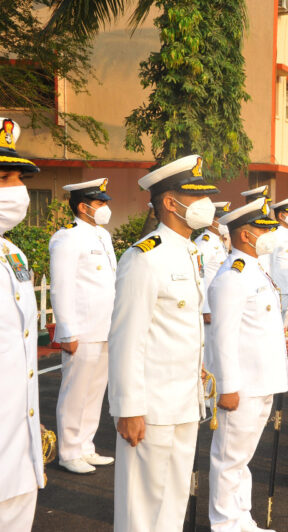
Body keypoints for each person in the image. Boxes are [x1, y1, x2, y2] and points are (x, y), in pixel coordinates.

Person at [108, 154, 219, 531]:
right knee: (141, 510)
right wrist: (129, 408)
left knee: (172, 503)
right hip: (151, 408)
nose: (206, 204)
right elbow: (127, 338)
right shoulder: (143, 258)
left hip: (185, 403)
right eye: (195, 195)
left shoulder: (190, 252)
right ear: (171, 203)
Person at [206, 198, 288, 532]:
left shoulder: (256, 269)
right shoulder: (232, 276)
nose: (271, 233)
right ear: (245, 234)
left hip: (263, 380)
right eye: (264, 228)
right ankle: (224, 523)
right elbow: (222, 338)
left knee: (243, 459)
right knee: (229, 458)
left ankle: (241, 518)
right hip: (242, 385)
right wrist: (227, 387)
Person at [49, 178, 117, 475]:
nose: (105, 208)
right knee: (75, 392)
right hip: (82, 329)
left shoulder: (103, 237)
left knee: (94, 391)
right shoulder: (68, 238)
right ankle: (69, 450)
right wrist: (67, 330)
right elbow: (60, 287)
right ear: (83, 206)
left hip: (104, 328)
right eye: (100, 203)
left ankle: (85, 446)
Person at [0, 117, 44, 532]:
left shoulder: (12, 252)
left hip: (17, 443)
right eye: (3, 177)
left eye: (17, 178)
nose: (16, 190)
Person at [194, 201, 231, 323]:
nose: (224, 222)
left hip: (219, 301)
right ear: (211, 220)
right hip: (209, 305)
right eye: (221, 218)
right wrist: (205, 309)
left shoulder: (218, 241)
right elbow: (199, 275)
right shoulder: (204, 242)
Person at [268, 198, 288, 327]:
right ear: (281, 216)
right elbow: (269, 262)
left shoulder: (286, 233)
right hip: (281, 287)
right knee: (279, 325)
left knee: (284, 325)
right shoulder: (275, 234)